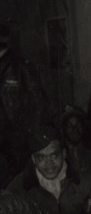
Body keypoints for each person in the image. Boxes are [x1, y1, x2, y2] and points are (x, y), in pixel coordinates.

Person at [0, 23, 50, 184]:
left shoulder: (21, 67)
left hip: (16, 140)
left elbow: (39, 103)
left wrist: (31, 136)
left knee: (19, 182)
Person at [60, 105, 91, 181]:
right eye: (70, 126)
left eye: (78, 125)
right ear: (64, 129)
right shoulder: (59, 155)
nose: (75, 129)